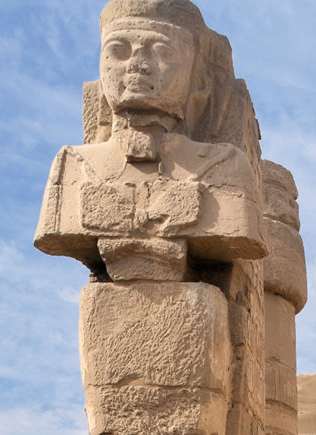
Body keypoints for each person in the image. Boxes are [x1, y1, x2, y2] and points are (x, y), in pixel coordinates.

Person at [35, 0, 265, 281]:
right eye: (118, 50)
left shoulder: (226, 168)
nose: (137, 65)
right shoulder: (72, 165)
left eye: (161, 52)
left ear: (201, 81)